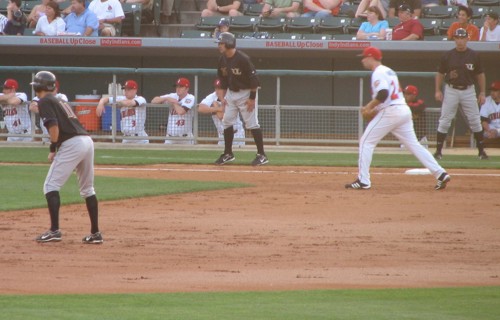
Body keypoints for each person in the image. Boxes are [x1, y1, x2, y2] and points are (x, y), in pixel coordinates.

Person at [345, 46, 450, 191]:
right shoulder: (389, 71)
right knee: (414, 145)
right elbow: (387, 95)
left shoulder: (378, 72)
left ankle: (363, 181)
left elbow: (383, 94)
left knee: (366, 142)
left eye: (364, 57)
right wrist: (374, 109)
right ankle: (440, 173)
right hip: (403, 110)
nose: (362, 60)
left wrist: (369, 107)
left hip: (392, 111)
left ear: (370, 57)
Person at [31, 71, 102, 244]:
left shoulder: (45, 101)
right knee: (88, 189)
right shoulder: (59, 99)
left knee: (50, 186)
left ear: (38, 87)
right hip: (86, 141)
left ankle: (54, 231)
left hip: (71, 143)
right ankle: (95, 234)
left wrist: (53, 148)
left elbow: (54, 127)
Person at [215, 32, 268, 166]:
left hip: (246, 92)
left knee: (252, 124)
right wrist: (222, 98)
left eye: (221, 43)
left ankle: (262, 154)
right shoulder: (222, 59)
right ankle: (228, 153)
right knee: (226, 122)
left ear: (228, 43)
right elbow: (222, 80)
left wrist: (252, 98)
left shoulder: (243, 59)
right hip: (231, 93)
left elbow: (254, 80)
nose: (219, 46)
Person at [434, 28, 488, 160]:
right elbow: (440, 74)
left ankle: (481, 151)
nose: (460, 41)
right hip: (451, 89)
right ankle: (438, 151)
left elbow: (480, 74)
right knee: (445, 120)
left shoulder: (474, 55)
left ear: (467, 39)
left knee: (475, 120)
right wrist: (438, 90)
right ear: (454, 39)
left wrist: (482, 92)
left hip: (468, 90)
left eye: (462, 38)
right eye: (457, 38)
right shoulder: (447, 55)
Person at [96, 80, 149, 144]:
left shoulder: (141, 99)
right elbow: (106, 99)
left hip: (140, 138)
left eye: (128, 89)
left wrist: (117, 103)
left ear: (135, 90)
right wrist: (101, 103)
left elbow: (129, 103)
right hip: (126, 138)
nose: (126, 92)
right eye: (125, 89)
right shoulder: (122, 98)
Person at [198, 78, 246, 146]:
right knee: (223, 156)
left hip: (236, 134)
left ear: (225, 89)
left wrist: (214, 105)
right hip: (221, 136)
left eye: (220, 88)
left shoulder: (231, 96)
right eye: (216, 88)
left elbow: (221, 116)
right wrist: (218, 108)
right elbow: (200, 108)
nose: (217, 90)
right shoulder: (212, 96)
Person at [151, 77, 195, 144]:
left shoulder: (190, 97)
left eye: (181, 87)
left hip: (185, 139)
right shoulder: (172, 96)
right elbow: (153, 101)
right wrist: (167, 98)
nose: (178, 88)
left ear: (187, 88)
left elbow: (181, 111)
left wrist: (174, 103)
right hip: (170, 138)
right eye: (177, 86)